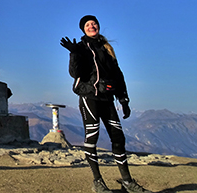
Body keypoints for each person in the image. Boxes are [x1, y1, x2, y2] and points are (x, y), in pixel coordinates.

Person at [60, 15, 151, 193]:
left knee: (118, 138)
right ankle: (98, 182)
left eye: (94, 23)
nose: (91, 26)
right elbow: (75, 73)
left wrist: (124, 100)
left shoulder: (107, 48)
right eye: (87, 24)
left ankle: (127, 182)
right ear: (83, 29)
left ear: (98, 26)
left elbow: (118, 75)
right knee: (92, 138)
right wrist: (74, 53)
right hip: (89, 97)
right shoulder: (80, 47)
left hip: (107, 99)